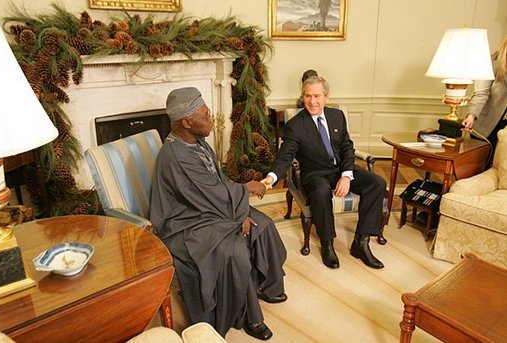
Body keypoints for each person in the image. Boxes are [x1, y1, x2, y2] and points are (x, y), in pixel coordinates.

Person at [149, 87, 287, 341]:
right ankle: (248, 316)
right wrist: (244, 197)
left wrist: (238, 210)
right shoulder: (176, 156)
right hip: (184, 223)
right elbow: (209, 195)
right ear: (186, 122)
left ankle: (266, 285)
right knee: (234, 250)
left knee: (263, 224)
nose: (211, 118)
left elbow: (216, 185)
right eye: (205, 115)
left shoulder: (196, 142)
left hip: (207, 210)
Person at [263, 76, 386, 270]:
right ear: (303, 97)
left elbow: (347, 147)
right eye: (308, 96)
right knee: (320, 192)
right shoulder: (295, 126)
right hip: (316, 173)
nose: (312, 101)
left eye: (317, 96)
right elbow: (284, 157)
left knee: (377, 182)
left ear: (326, 97)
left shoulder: (337, 116)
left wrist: (346, 175)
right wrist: (271, 177)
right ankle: (327, 243)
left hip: (341, 169)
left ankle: (361, 243)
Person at [462, 36, 507, 152]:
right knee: (482, 165)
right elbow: (481, 93)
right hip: (489, 124)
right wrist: (471, 115)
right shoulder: (492, 61)